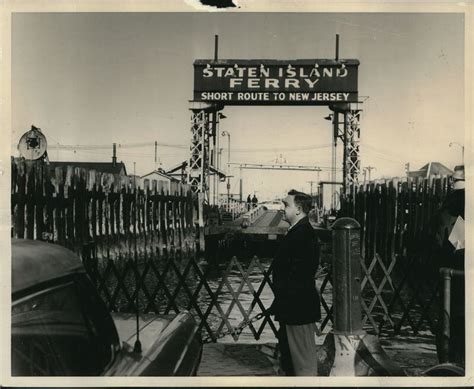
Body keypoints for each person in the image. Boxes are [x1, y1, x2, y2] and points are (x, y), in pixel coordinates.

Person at [267, 189, 321, 376]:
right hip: (293, 307)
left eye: (286, 204)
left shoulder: (303, 234)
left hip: (297, 308)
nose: (283, 208)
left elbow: (299, 275)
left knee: (303, 363)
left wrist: (283, 300)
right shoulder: (299, 232)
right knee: (291, 361)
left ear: (298, 209)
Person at [432, 165, 465, 365]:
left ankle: (450, 367)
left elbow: (437, 243)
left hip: (450, 278)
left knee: (449, 326)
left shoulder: (447, 209)